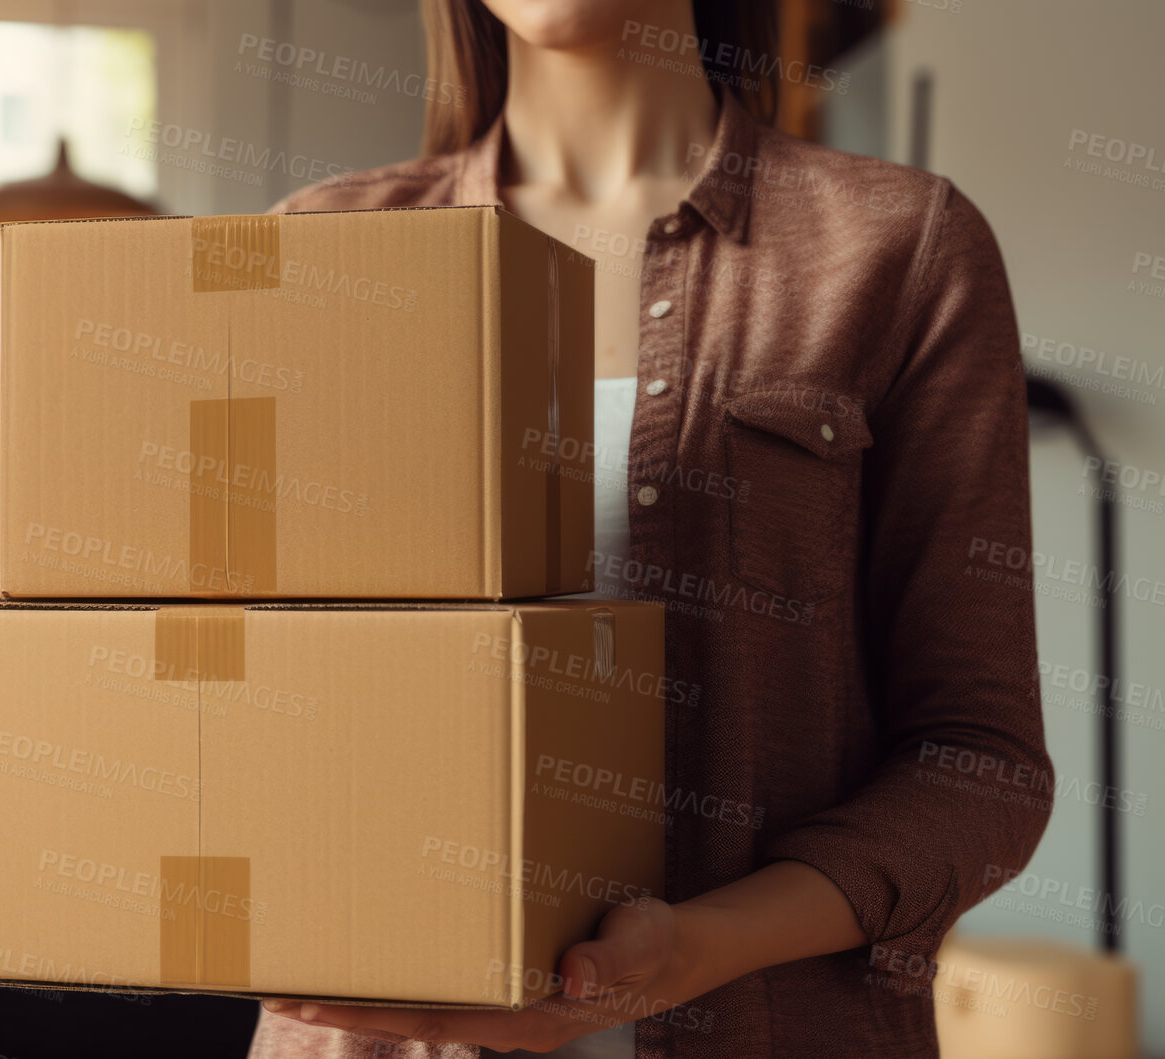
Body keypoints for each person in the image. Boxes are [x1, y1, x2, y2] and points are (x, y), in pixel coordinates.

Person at [249, 1, 1051, 1056]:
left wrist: (695, 948)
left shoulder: (898, 246)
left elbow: (977, 765)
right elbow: (245, 698)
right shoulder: (320, 247)